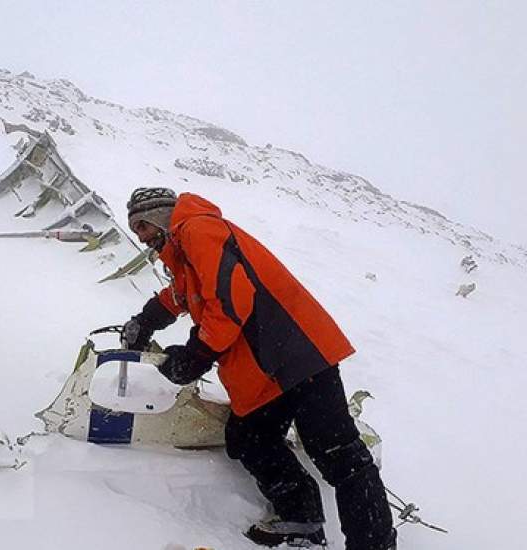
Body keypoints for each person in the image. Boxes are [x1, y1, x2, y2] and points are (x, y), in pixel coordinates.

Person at [122, 187, 396, 549]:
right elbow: (184, 294)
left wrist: (195, 357)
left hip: (299, 355)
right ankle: (300, 517)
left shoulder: (198, 230)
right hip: (268, 369)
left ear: (160, 216)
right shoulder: (185, 251)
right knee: (250, 438)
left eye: (142, 225)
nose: (141, 237)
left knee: (339, 455)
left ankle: (374, 544)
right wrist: (146, 320)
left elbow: (231, 300)